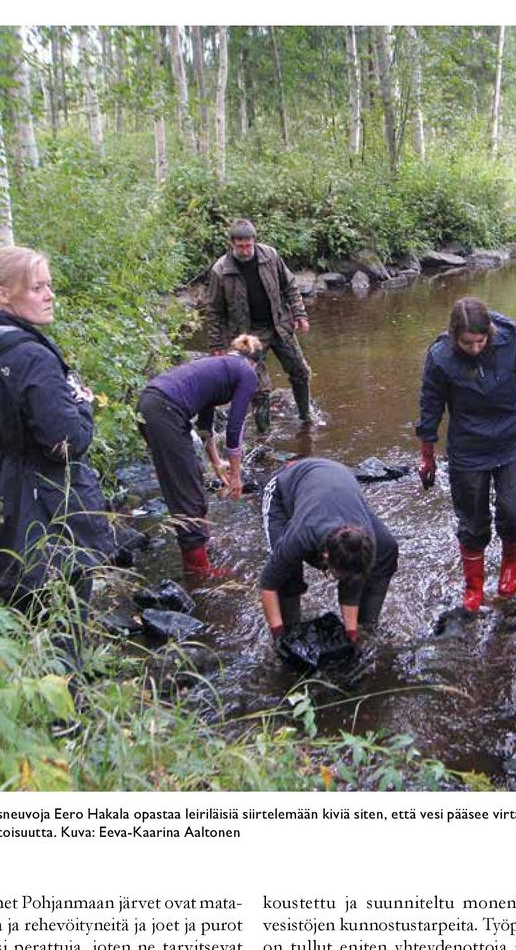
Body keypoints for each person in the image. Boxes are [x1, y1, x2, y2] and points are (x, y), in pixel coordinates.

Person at [0, 246, 112, 637]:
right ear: (3, 294)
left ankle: (25, 684)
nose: (50, 294)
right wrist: (83, 406)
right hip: (41, 502)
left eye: (48, 285)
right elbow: (68, 442)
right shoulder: (31, 357)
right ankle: (66, 691)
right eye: (37, 287)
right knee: (61, 615)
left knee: (13, 604)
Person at [416, 297, 516, 610]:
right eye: (468, 343)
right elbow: (430, 404)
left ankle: (510, 567)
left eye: (481, 341)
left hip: (513, 439)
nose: (475, 348)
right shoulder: (440, 357)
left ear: (490, 333)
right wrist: (426, 452)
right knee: (472, 520)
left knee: (512, 510)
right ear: (455, 335)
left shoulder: (510, 337)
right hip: (469, 445)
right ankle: (474, 586)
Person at [137, 336, 270, 579]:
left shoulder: (219, 365)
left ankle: (203, 542)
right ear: (257, 364)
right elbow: (234, 428)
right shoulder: (247, 373)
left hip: (151, 404)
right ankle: (199, 570)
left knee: (191, 476)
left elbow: (204, 427)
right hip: (165, 411)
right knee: (185, 491)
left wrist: (217, 462)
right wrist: (236, 476)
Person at [259, 457, 399, 644]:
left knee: (387, 550)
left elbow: (352, 586)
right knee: (287, 575)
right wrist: (278, 634)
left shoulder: (365, 543)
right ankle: (290, 629)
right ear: (326, 555)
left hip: (336, 484)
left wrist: (352, 636)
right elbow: (268, 584)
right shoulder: (303, 534)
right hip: (284, 488)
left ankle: (367, 626)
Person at [206, 217, 313, 425]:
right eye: (240, 247)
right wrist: (216, 345)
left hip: (278, 324)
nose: (246, 251)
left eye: (249, 245)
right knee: (258, 388)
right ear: (231, 243)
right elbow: (214, 310)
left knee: (300, 372)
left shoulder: (270, 255)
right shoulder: (221, 271)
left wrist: (300, 315)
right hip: (247, 335)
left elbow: (289, 285)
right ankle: (264, 435)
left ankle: (306, 418)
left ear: (254, 240)